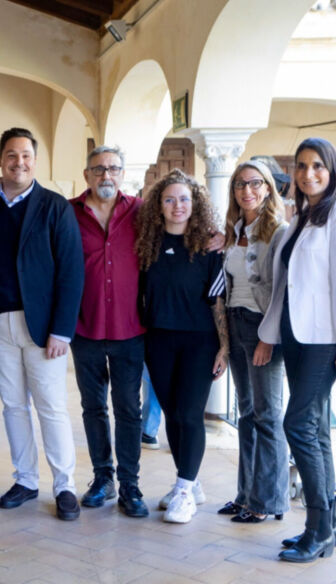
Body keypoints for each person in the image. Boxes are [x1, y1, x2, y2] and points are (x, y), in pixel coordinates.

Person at [0, 127, 84, 521]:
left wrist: (61, 330)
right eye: (11, 155)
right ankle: (26, 479)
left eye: (26, 155)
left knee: (52, 407)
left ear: (35, 161)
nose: (19, 162)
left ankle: (65, 485)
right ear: (0, 160)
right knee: (13, 406)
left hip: (42, 328)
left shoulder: (55, 206)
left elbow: (71, 272)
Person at [259, 138, 336, 563]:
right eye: (302, 166)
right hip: (295, 335)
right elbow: (285, 288)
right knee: (316, 427)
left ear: (331, 170)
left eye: (318, 166)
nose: (309, 174)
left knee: (298, 425)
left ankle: (319, 525)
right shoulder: (301, 218)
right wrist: (270, 335)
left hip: (325, 338)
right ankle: (326, 521)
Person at [136, 169, 228, 524]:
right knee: (172, 415)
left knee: (190, 415)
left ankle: (185, 491)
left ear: (196, 204)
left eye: (185, 199)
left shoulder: (209, 246)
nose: (178, 206)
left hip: (199, 341)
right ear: (159, 205)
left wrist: (224, 347)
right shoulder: (147, 245)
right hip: (158, 339)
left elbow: (217, 300)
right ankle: (189, 481)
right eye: (170, 199)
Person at [69, 145, 148, 518]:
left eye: (114, 168)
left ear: (123, 173)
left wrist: (216, 236)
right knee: (93, 406)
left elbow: (185, 226)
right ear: (87, 175)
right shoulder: (69, 212)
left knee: (128, 409)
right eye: (98, 169)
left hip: (130, 328)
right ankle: (103, 477)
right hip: (84, 327)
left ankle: (130, 484)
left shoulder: (142, 212)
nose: (106, 175)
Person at [218, 160, 288, 524]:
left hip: (263, 328)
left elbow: (281, 291)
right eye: (240, 184)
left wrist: (268, 338)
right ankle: (245, 495)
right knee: (246, 414)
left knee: (267, 416)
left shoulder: (278, 231)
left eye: (255, 183)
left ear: (267, 188)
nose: (247, 190)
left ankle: (267, 501)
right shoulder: (235, 230)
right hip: (236, 323)